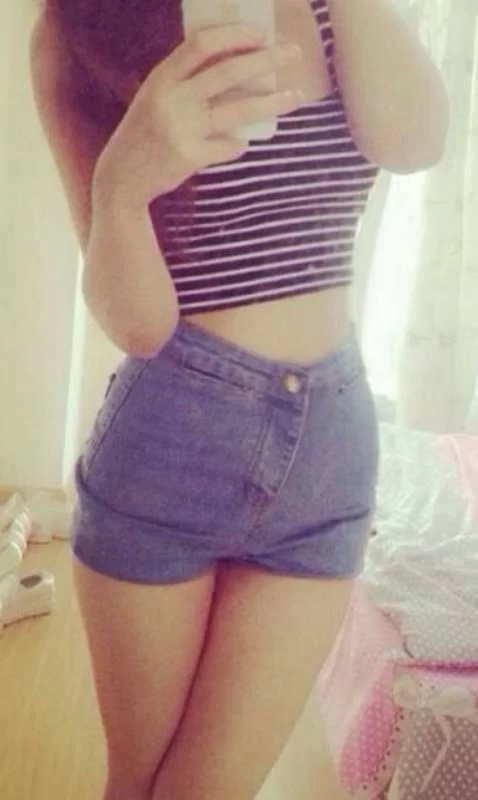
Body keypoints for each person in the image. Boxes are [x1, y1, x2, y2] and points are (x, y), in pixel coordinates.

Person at [29, 1, 449, 798]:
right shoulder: (80, 28)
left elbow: (416, 141)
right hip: (172, 439)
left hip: (326, 454)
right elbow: (139, 325)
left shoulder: (340, 13)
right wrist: (124, 184)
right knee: (142, 783)